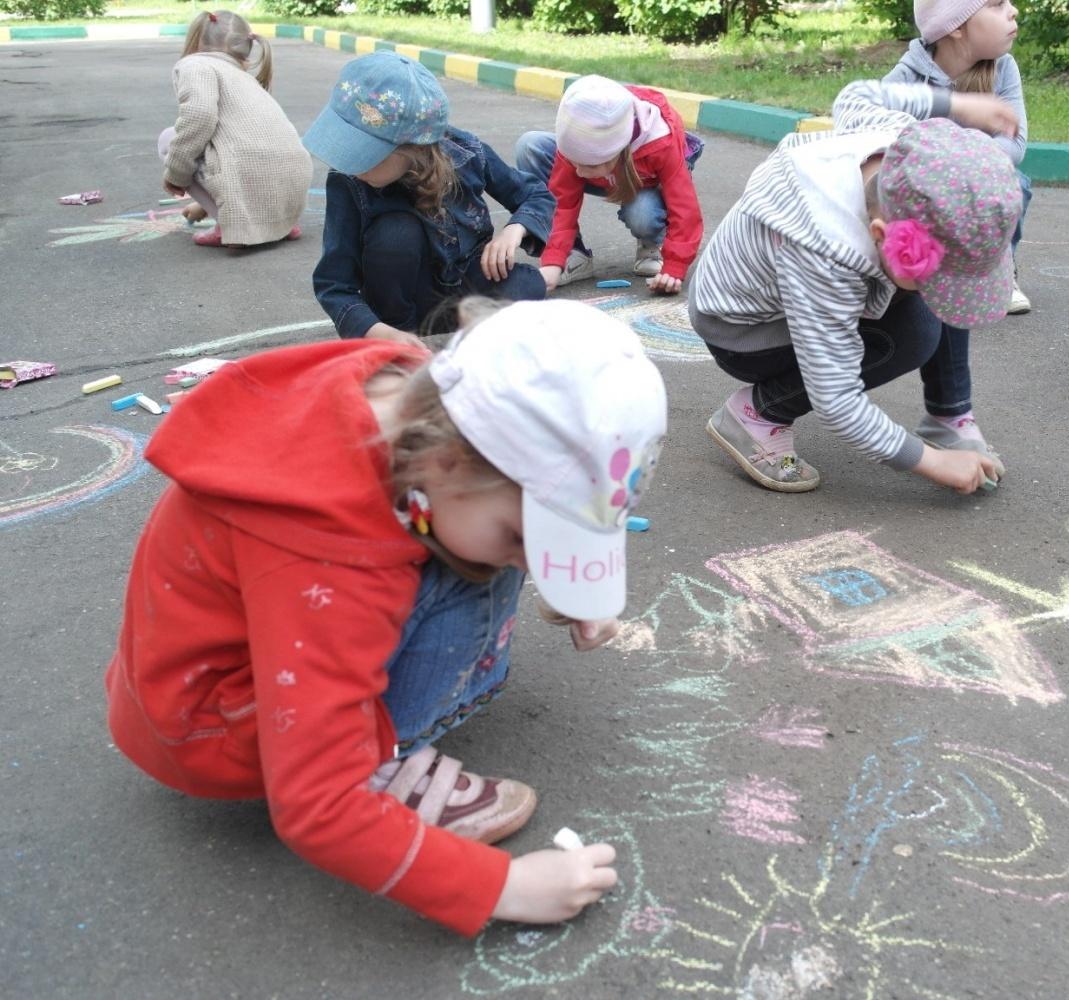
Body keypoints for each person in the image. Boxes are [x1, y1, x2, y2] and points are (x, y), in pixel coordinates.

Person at [105, 298, 667, 936]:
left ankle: (381, 706)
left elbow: (487, 508)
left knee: (468, 545)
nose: (526, 562)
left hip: (189, 684)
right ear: (450, 462)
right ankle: (382, 762)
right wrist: (502, 888)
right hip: (221, 733)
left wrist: (572, 579)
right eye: (524, 536)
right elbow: (316, 804)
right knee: (467, 567)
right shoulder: (327, 560)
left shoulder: (408, 391)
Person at [689, 79, 1020, 495]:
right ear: (882, 235)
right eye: (927, 276)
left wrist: (957, 102)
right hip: (743, 332)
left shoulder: (905, 150)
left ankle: (948, 416)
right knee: (914, 336)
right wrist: (932, 463)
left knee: (934, 303)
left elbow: (856, 95)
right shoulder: (825, 252)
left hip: (800, 288)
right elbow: (837, 398)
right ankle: (758, 414)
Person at [306, 52, 553, 347]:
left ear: (411, 149)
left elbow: (535, 194)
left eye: (363, 153)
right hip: (401, 306)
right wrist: (378, 331)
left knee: (527, 285)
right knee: (396, 232)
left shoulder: (468, 154)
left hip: (466, 286)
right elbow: (334, 284)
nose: (351, 164)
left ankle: (465, 327)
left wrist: (515, 229)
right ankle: (407, 333)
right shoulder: (348, 180)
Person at [884, 0, 1033, 314]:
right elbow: (875, 117)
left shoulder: (1003, 67)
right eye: (996, 5)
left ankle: (998, 269)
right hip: (923, 187)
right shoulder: (910, 74)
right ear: (955, 27)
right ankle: (917, 268)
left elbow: (1014, 142)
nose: (1013, 10)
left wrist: (968, 166)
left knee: (1015, 184)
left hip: (980, 178)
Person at [514, 75, 705, 295]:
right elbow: (562, 202)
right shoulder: (579, 138)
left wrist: (674, 267)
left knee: (642, 212)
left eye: (588, 166)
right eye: (574, 163)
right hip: (613, 172)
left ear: (616, 152)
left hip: (644, 184)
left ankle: (651, 243)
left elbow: (685, 209)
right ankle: (574, 253)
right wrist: (553, 259)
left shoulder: (660, 142)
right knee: (530, 145)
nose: (578, 172)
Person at [159, 9, 309, 249]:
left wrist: (176, 173)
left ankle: (229, 227)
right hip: (294, 179)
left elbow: (198, 117)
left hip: (253, 173)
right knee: (234, 152)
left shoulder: (195, 65)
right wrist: (202, 205)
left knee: (170, 139)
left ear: (196, 39)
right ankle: (279, 224)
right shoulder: (244, 77)